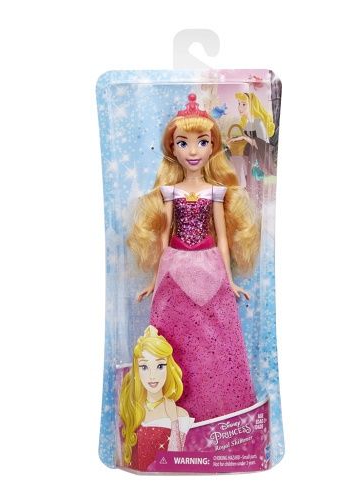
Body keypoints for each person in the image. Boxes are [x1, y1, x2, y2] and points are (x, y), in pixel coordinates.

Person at [127, 94, 259, 422]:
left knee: (216, 339)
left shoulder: (215, 191)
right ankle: (170, 413)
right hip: (175, 266)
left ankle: (221, 412)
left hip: (210, 266)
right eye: (183, 143)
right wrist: (154, 280)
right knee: (173, 336)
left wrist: (230, 280)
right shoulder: (170, 192)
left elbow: (223, 237)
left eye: (202, 142)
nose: (193, 151)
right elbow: (164, 234)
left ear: (213, 146)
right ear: (172, 149)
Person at [119, 325, 193, 471]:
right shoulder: (132, 409)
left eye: (160, 366)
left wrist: (174, 421)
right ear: (137, 370)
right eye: (144, 367)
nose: (152, 375)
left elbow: (175, 463)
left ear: (168, 368)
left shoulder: (179, 414)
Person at [228, 92, 276, 206]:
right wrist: (237, 139)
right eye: (239, 104)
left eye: (244, 104)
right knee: (249, 180)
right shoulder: (247, 123)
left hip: (260, 158)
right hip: (251, 156)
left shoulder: (258, 122)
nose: (240, 107)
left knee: (257, 181)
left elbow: (263, 144)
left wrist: (244, 138)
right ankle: (252, 204)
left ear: (252, 105)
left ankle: (259, 206)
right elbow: (247, 140)